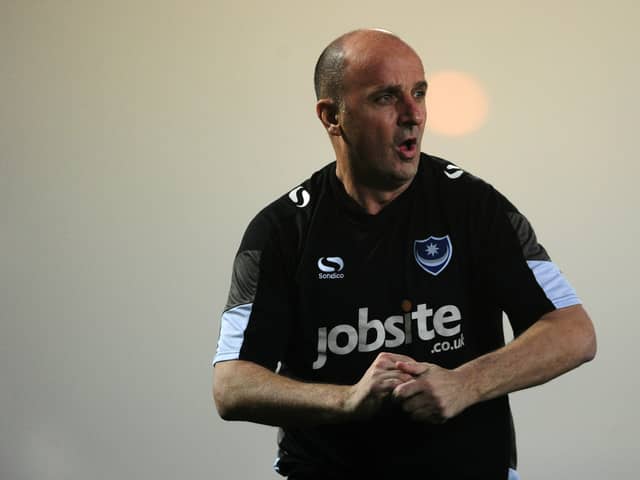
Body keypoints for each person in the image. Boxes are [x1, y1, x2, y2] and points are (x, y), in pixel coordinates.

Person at [212, 29, 596, 479]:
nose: (413, 114)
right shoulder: (281, 230)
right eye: (386, 97)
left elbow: (574, 331)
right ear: (332, 115)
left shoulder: (474, 207)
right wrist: (347, 400)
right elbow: (232, 384)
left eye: (419, 92)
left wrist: (465, 383)